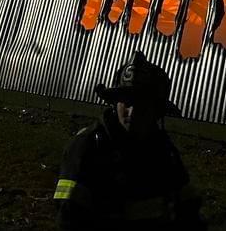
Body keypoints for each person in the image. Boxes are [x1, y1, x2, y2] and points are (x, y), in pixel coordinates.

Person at [53, 51, 204, 230]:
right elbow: (70, 218)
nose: (132, 112)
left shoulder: (164, 150)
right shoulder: (88, 146)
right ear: (115, 103)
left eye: (142, 105)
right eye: (127, 102)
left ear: (156, 111)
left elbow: (188, 212)